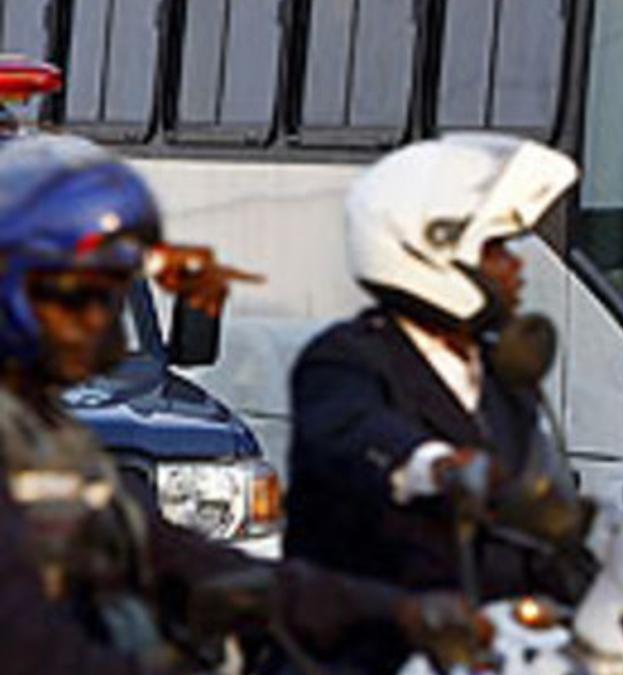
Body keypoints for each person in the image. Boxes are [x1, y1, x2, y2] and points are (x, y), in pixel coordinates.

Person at [0, 134, 476, 675]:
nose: (99, 323)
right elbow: (26, 642)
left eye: (112, 297)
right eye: (79, 297)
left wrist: (397, 611)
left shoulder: (53, 438)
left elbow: (176, 555)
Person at [285, 134, 584, 610]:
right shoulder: (344, 360)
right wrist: (441, 468)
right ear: (431, 251)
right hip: (371, 643)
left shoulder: (502, 376)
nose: (517, 267)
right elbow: (353, 433)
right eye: (496, 249)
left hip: (495, 645)